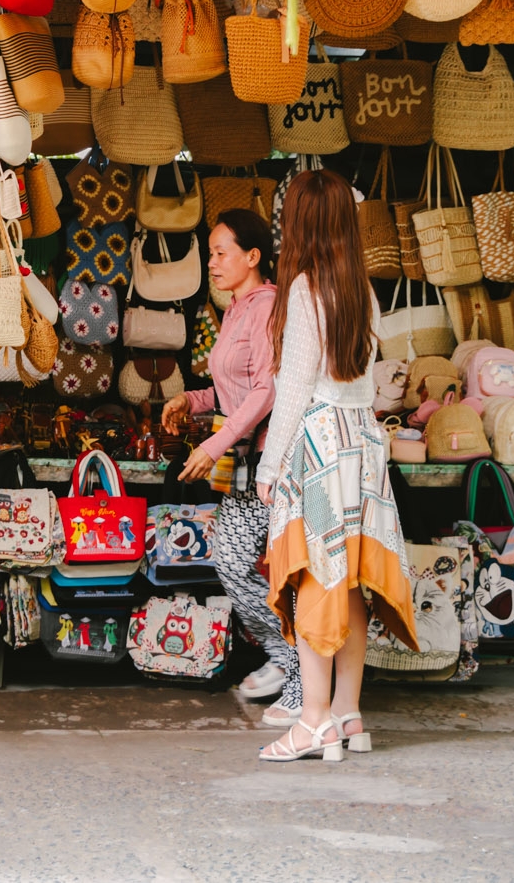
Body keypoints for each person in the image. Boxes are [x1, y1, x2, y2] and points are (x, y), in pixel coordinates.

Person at [252, 170, 418, 763]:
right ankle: (348, 714)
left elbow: (295, 387)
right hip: (363, 442)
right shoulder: (362, 290)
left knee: (317, 579)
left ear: (300, 224)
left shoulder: (302, 290)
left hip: (319, 441)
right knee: (350, 582)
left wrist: (268, 468)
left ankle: (314, 721)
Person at [158, 209, 302, 725]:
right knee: (232, 564)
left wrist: (214, 443)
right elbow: (230, 387)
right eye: (212, 252)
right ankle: (287, 658)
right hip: (245, 461)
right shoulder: (237, 308)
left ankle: (301, 673)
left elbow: (267, 389)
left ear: (253, 257)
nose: (213, 262)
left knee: (275, 570)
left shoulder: (267, 308)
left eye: (221, 252)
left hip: (273, 461)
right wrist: (189, 400)